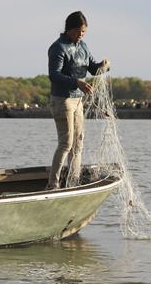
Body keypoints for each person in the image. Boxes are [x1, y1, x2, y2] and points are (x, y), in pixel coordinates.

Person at [47, 11, 109, 189]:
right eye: (78, 31)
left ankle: (73, 181)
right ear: (69, 29)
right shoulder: (58, 47)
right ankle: (53, 183)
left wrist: (104, 66)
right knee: (66, 143)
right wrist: (77, 83)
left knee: (78, 142)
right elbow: (54, 75)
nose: (80, 34)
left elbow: (93, 69)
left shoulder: (83, 46)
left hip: (78, 100)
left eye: (83, 32)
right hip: (62, 100)